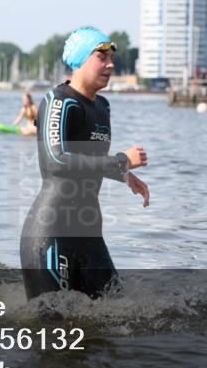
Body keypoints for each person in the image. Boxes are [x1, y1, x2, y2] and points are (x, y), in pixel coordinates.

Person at [21, 27, 149, 300]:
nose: (111, 64)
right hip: (53, 234)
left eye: (112, 57)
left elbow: (88, 159)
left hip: (89, 234)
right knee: (51, 327)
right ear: (79, 60)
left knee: (115, 317)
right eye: (101, 57)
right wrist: (121, 159)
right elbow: (57, 161)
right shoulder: (59, 101)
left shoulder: (103, 106)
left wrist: (123, 174)